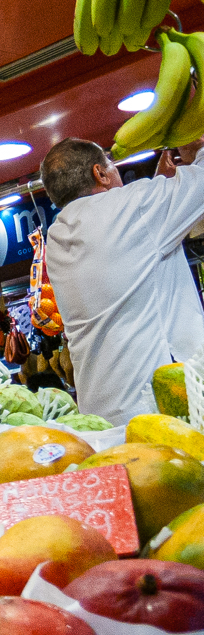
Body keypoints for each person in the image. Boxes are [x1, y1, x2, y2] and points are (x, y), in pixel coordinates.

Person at [39, 137, 204, 425]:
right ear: (99, 174)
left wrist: (160, 187)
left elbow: (134, 248)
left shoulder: (57, 237)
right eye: (110, 166)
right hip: (162, 407)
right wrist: (196, 150)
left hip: (101, 414)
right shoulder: (133, 207)